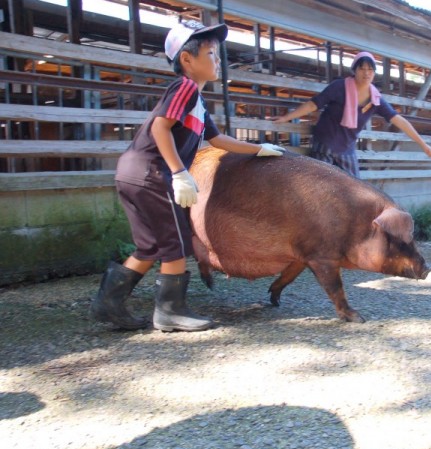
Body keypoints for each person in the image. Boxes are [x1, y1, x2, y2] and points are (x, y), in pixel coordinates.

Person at [90, 21, 285, 332]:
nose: (217, 60)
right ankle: (170, 311)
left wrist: (259, 149)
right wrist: (179, 172)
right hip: (151, 172)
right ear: (187, 59)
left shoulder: (197, 102)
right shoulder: (185, 88)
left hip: (132, 172)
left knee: (150, 247)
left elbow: (218, 140)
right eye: (211, 53)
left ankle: (108, 303)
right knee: (177, 243)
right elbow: (159, 127)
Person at [273, 51, 431, 177]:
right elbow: (313, 104)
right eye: (362, 68)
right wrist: (286, 118)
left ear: (374, 73)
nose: (366, 73)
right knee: (321, 185)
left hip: (347, 149)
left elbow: (399, 120)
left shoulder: (375, 98)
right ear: (355, 70)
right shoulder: (339, 87)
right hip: (325, 144)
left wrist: (423, 145)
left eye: (370, 69)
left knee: (354, 189)